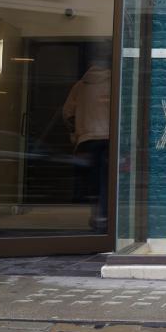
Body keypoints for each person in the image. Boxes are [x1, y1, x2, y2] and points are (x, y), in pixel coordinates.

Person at [62, 50, 111, 231]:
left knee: (92, 180)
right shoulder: (113, 83)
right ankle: (105, 216)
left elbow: (67, 113)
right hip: (108, 139)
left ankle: (96, 214)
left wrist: (75, 132)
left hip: (86, 140)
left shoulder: (80, 86)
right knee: (108, 180)